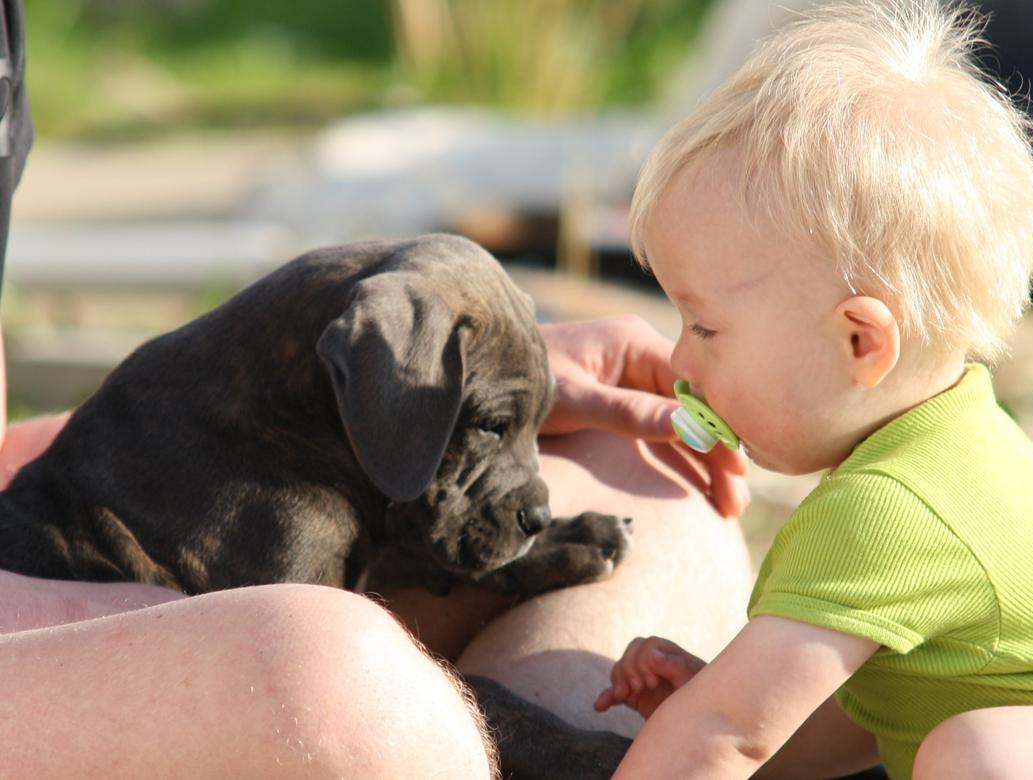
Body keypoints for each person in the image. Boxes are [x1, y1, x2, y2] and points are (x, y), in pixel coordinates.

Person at [0, 1, 755, 776]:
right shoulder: (244, 487)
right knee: (341, 671)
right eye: (493, 427)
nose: (510, 456)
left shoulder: (238, 420)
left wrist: (511, 382)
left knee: (659, 486)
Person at [592, 1, 1033, 779]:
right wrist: (714, 696)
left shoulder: (889, 508)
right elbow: (872, 711)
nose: (680, 363)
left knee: (984, 755)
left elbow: (726, 736)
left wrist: (712, 716)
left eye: (705, 328)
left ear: (860, 341)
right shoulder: (949, 447)